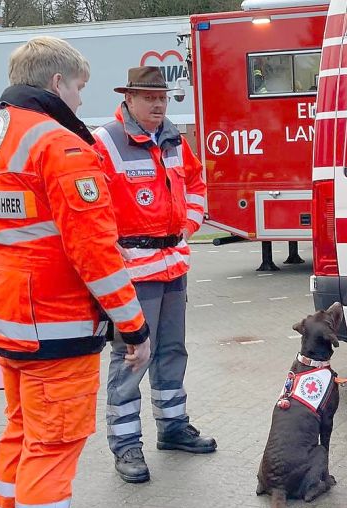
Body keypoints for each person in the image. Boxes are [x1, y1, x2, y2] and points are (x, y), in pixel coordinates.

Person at [0, 36, 151, 508]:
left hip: (4, 317)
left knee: (20, 429)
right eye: (80, 89)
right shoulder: (61, 145)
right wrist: (133, 326)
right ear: (57, 83)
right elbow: (96, 254)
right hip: (55, 323)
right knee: (55, 440)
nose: (82, 103)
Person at [92, 66, 214, 484]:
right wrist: (110, 243)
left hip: (172, 265)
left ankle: (173, 427)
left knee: (171, 351)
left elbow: (197, 183)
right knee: (132, 357)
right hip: (132, 274)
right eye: (148, 97)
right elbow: (89, 203)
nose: (158, 103)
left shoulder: (175, 139)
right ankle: (126, 445)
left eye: (161, 96)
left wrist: (190, 224)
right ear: (128, 99)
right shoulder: (105, 141)